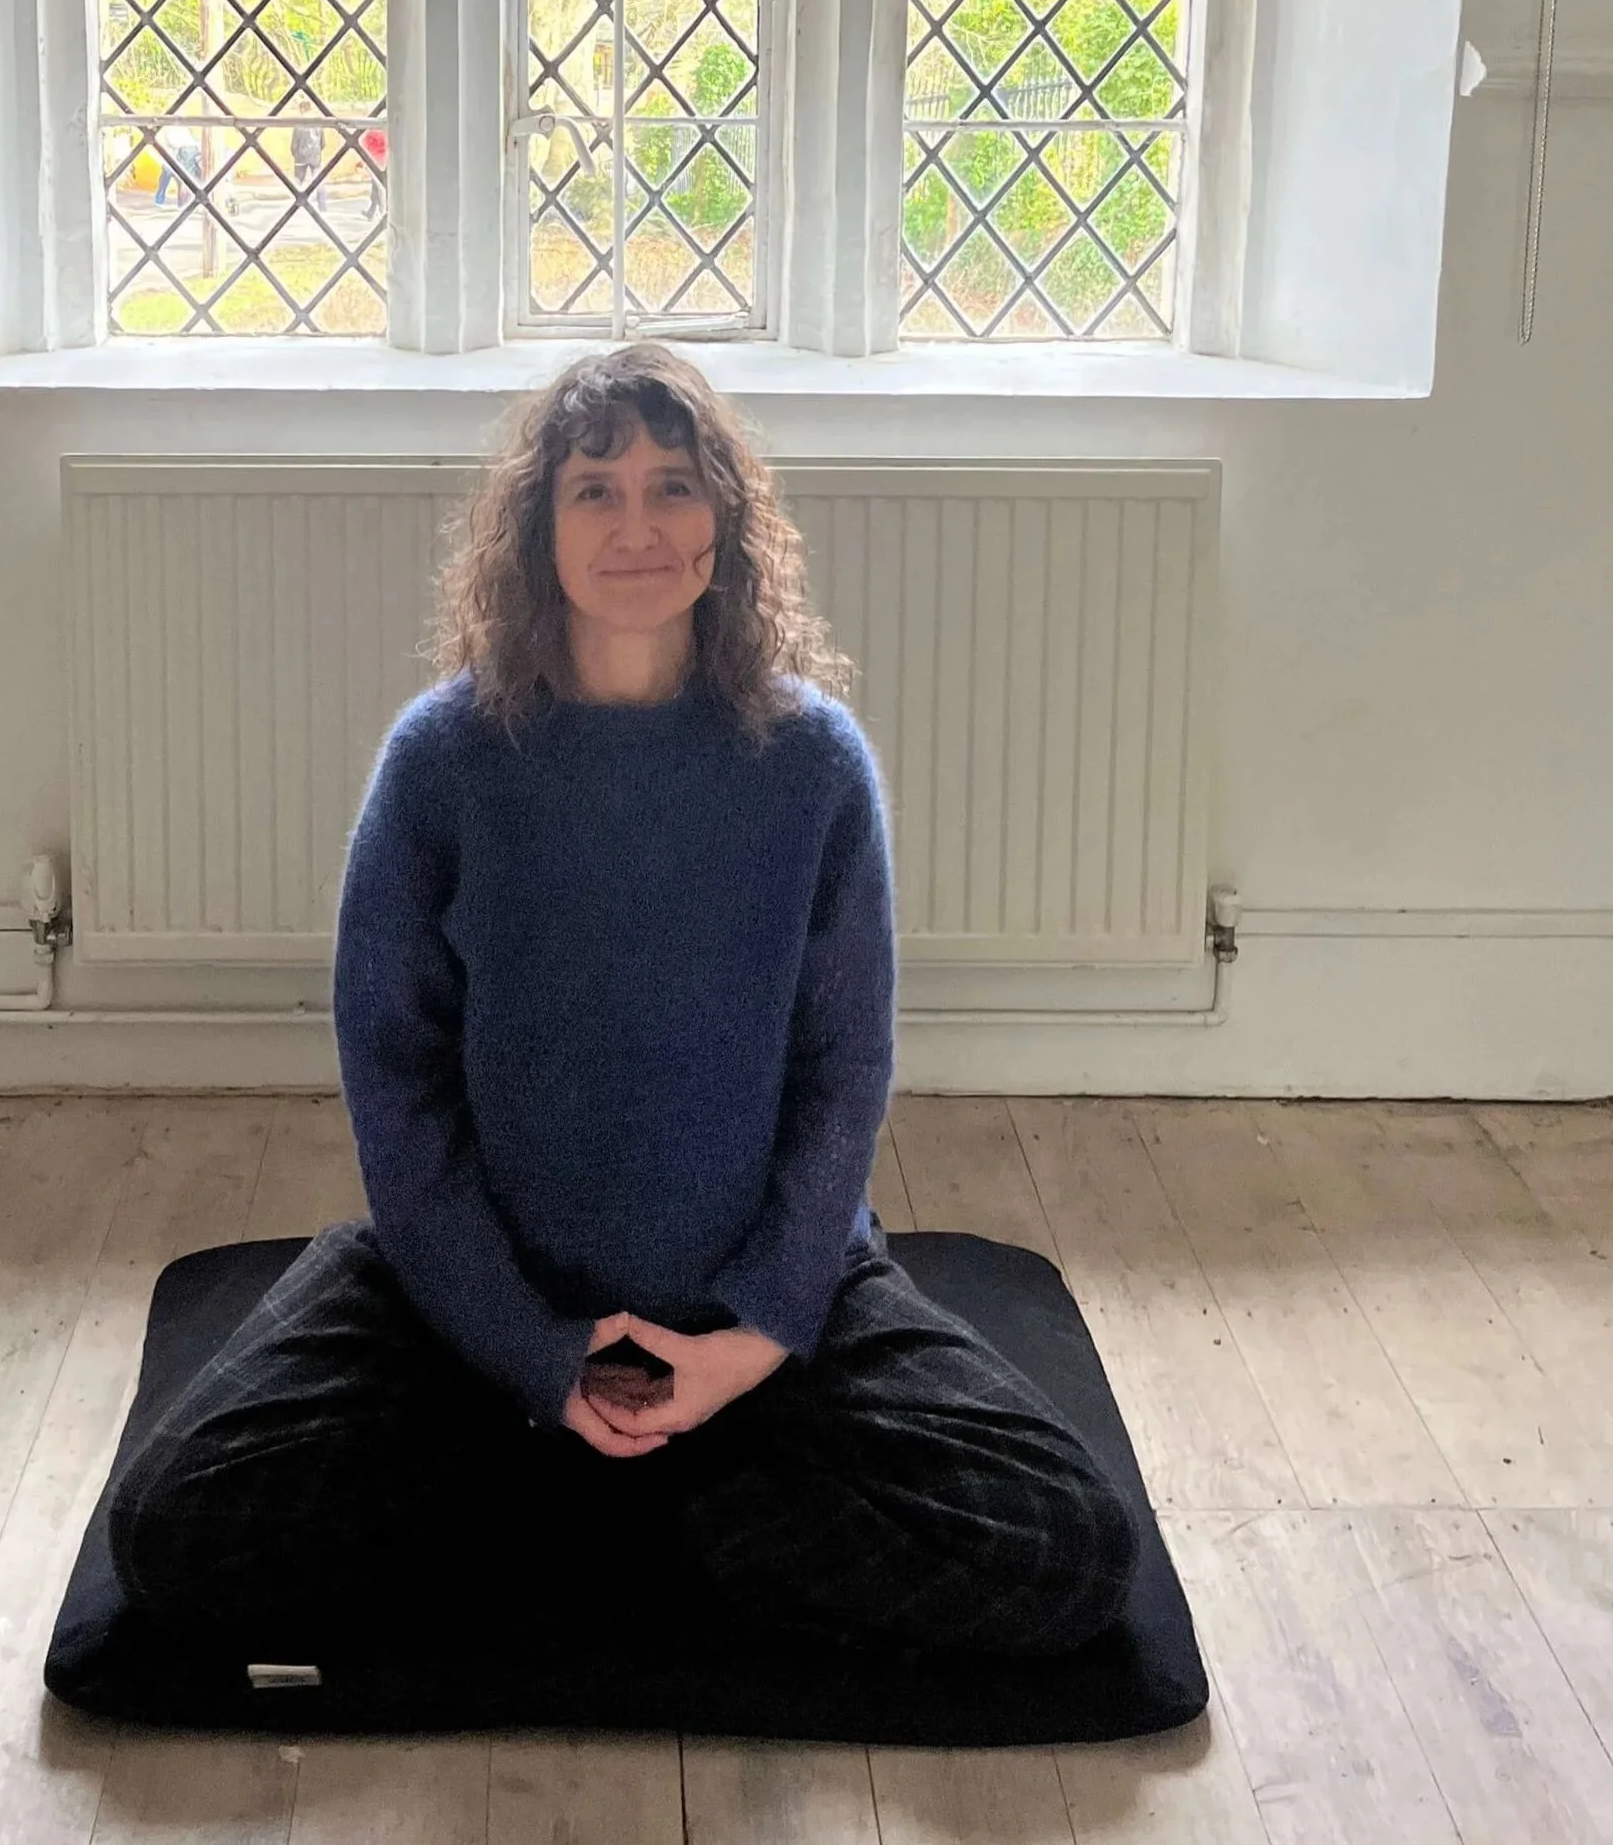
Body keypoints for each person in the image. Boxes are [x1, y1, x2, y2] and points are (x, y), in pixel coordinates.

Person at [109, 344, 1138, 1663]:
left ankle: (615, 1514)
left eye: (672, 485)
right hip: (480, 1305)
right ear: (538, 531)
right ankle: (629, 1493)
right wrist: (525, 1350)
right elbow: (398, 1087)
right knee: (178, 1535)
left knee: (1067, 1545)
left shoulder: (812, 764)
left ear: (726, 518)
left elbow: (841, 1073)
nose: (636, 525)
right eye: (594, 490)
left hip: (755, 1301)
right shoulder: (442, 763)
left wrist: (757, 1337)